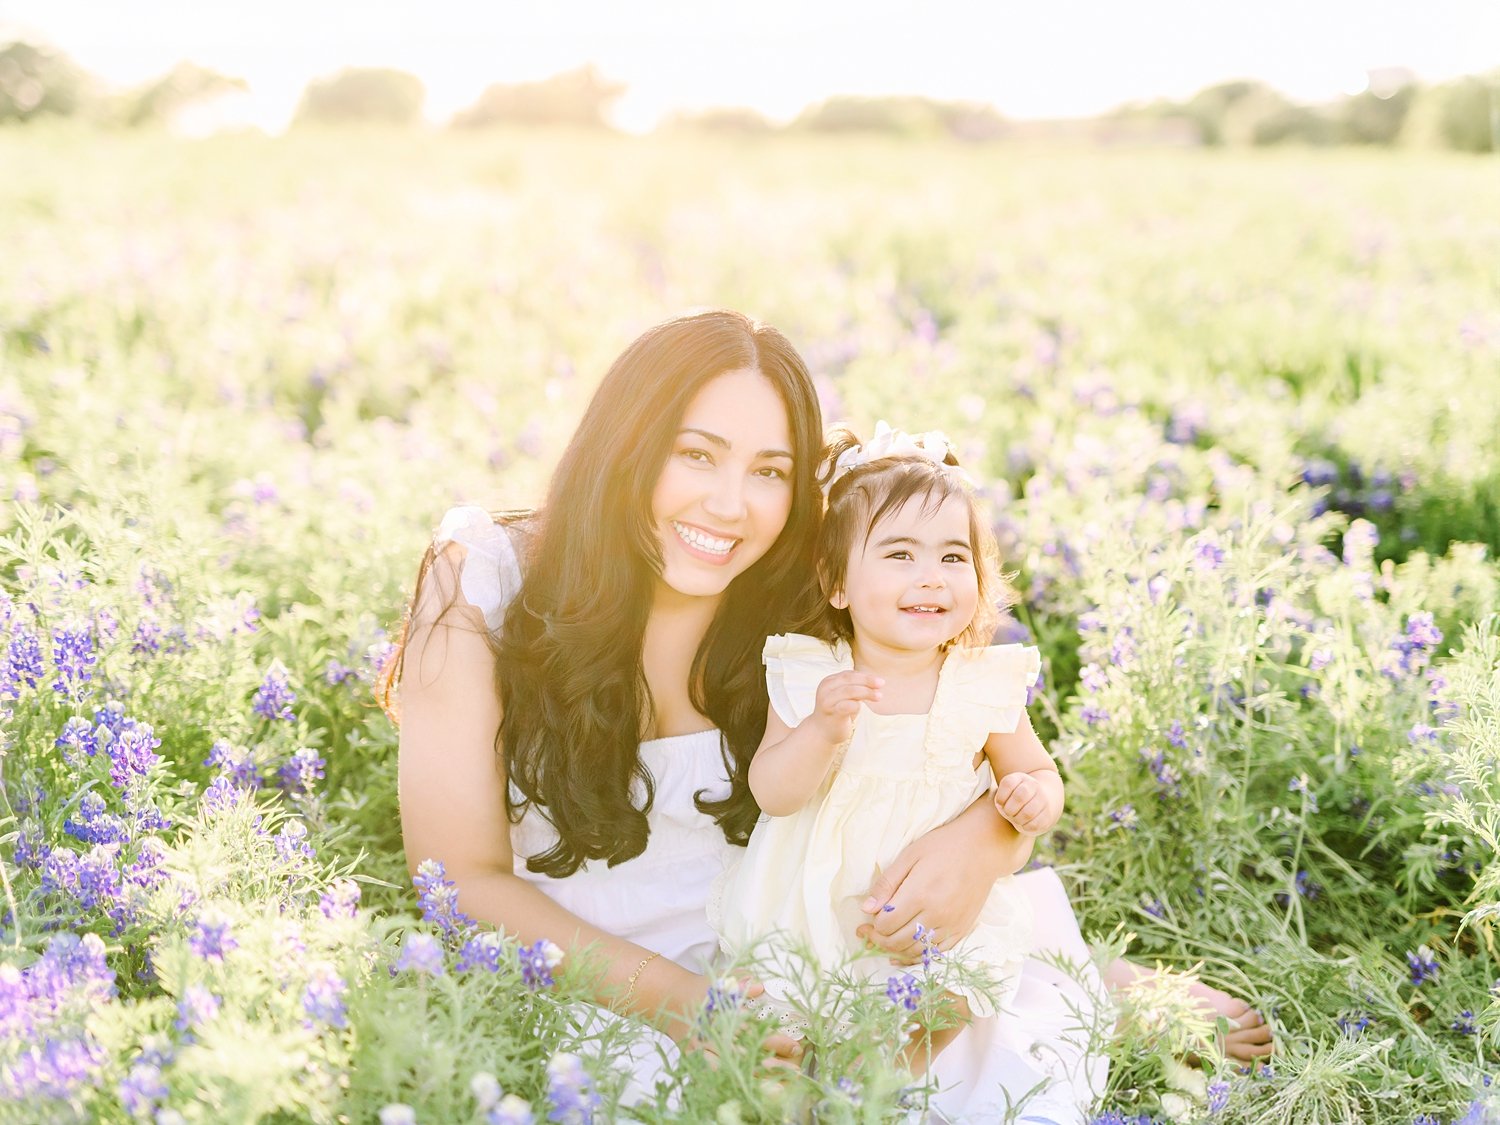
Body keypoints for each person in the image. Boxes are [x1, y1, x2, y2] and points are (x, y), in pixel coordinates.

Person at [386, 309, 1268, 1121]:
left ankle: (1079, 981)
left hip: (814, 938)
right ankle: (1077, 981)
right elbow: (459, 878)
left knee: (966, 1047)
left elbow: (952, 729)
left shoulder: (796, 587)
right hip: (601, 968)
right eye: (695, 454)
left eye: (768, 470)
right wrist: (693, 1008)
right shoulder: (487, 574)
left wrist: (986, 841)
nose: (730, 505)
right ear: (624, 445)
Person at [712, 423, 1075, 1090]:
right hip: (815, 902)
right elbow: (773, 791)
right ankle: (788, 1085)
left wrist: (1032, 799)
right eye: (900, 554)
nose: (930, 578)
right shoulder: (809, 673)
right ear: (838, 583)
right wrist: (821, 729)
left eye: (952, 557)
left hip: (937, 919)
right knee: (780, 1014)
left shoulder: (979, 680)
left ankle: (885, 1081)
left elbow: (1038, 772)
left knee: (955, 991)